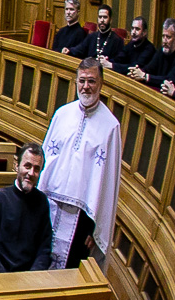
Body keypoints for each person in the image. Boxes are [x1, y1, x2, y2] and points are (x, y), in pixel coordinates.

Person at [37, 57, 121, 268]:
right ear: (75, 82)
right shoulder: (61, 114)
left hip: (82, 219)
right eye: (82, 80)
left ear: (101, 84)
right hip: (50, 206)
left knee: (69, 276)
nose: (86, 86)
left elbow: (108, 183)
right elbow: (46, 161)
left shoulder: (111, 126)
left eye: (91, 81)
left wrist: (96, 228)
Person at [0, 143, 56, 272]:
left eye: (36, 169)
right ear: (17, 166)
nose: (31, 173)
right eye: (27, 166)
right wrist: (3, 278)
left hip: (30, 280)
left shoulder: (42, 201)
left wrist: (32, 276)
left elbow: (44, 249)